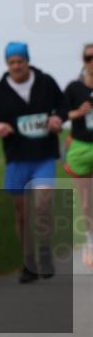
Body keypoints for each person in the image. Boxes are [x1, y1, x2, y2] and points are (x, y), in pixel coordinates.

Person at [0, 41, 65, 283]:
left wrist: (58, 118)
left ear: (28, 61)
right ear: (7, 64)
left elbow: (63, 104)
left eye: (20, 61)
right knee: (22, 213)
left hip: (44, 156)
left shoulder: (45, 82)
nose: (16, 66)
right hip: (16, 158)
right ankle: (29, 262)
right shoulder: (0, 90)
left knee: (43, 205)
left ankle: (45, 252)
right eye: (11, 62)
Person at [63, 42, 93, 269]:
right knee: (87, 201)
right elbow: (61, 116)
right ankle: (90, 244)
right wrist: (78, 112)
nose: (92, 61)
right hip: (81, 148)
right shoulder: (74, 88)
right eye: (88, 57)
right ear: (83, 61)